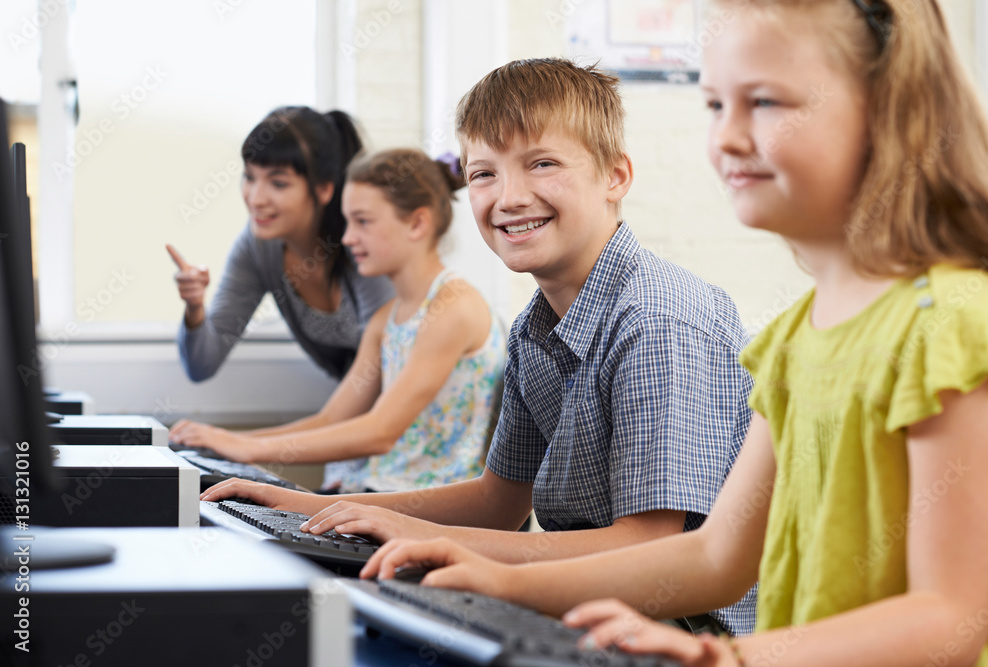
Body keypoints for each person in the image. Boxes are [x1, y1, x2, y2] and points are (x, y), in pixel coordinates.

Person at [360, 0, 988, 663]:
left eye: (766, 103)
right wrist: (501, 580)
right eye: (716, 107)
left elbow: (950, 617)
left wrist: (735, 658)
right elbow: (717, 555)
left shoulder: (950, 323)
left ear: (883, 111)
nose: (725, 137)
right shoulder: (792, 338)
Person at [202, 58, 757, 635]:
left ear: (615, 176)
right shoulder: (533, 330)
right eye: (484, 175)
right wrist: (304, 507)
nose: (509, 197)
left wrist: (437, 543)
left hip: (689, 632)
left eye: (541, 164)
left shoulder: (656, 320)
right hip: (600, 611)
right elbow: (499, 501)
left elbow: (648, 543)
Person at [171, 149, 505, 493]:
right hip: (370, 495)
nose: (347, 238)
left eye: (363, 221)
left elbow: (381, 432)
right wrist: (229, 441)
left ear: (417, 223)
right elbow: (332, 419)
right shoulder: (384, 321)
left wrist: (250, 449)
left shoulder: (453, 306)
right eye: (347, 222)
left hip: (425, 513)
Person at [167, 106, 394, 383]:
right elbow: (201, 365)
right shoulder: (258, 248)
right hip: (360, 413)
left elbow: (391, 371)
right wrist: (194, 307)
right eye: (249, 177)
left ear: (324, 188)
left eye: (278, 183)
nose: (256, 198)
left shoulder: (362, 242)